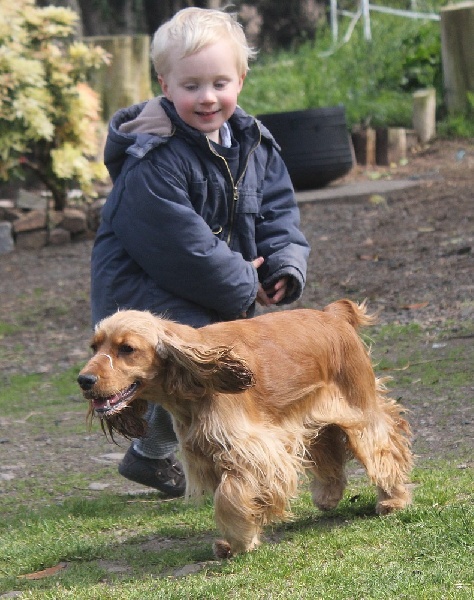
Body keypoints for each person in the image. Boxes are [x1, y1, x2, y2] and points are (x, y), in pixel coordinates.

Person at [90, 6, 310, 497]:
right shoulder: (152, 158)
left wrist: (283, 264)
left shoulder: (253, 142)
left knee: (201, 377)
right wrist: (240, 281)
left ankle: (159, 458)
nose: (207, 98)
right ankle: (198, 461)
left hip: (213, 286)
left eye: (219, 83)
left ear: (241, 79)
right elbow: (180, 247)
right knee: (188, 376)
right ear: (165, 85)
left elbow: (276, 211)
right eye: (191, 86)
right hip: (151, 293)